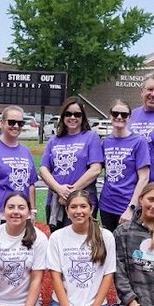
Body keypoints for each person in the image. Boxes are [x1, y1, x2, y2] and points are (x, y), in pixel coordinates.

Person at [46, 189, 117, 306]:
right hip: (64, 302)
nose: (79, 211)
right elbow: (55, 276)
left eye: (83, 206)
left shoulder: (105, 236)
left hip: (93, 303)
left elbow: (108, 274)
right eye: (73, 207)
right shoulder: (57, 237)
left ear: (91, 209)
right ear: (67, 211)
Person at [38, 97, 103, 229]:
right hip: (55, 200)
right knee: (57, 240)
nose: (72, 117)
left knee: (81, 241)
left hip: (82, 201)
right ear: (63, 116)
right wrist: (59, 189)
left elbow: (95, 169)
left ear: (82, 117)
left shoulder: (91, 137)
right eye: (68, 114)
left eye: (77, 114)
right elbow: (43, 169)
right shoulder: (54, 140)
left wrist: (69, 193)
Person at [97, 99, 151, 232]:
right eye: (115, 114)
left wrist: (131, 208)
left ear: (129, 117)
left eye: (124, 114)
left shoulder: (139, 142)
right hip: (106, 204)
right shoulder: (105, 142)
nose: (119, 117)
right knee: (109, 245)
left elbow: (144, 177)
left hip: (127, 204)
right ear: (110, 116)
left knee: (127, 249)